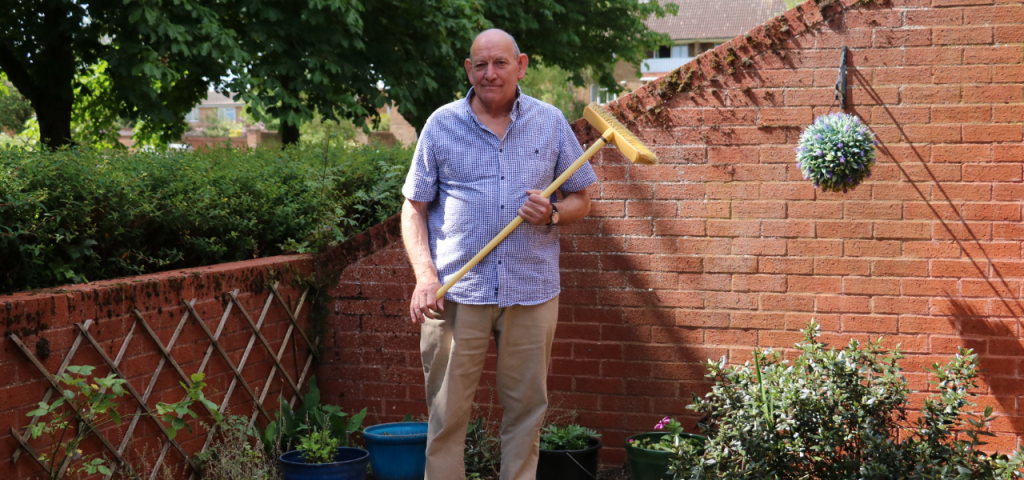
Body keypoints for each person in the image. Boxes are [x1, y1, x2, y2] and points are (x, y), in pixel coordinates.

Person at [400, 28, 598, 480]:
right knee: (447, 416)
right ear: (469, 69)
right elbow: (413, 208)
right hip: (455, 292)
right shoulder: (441, 124)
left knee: (526, 412)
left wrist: (550, 213)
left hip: (531, 290)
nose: (490, 73)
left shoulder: (549, 122)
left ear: (521, 64)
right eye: (480, 64)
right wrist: (425, 277)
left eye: (500, 63)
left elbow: (582, 198)